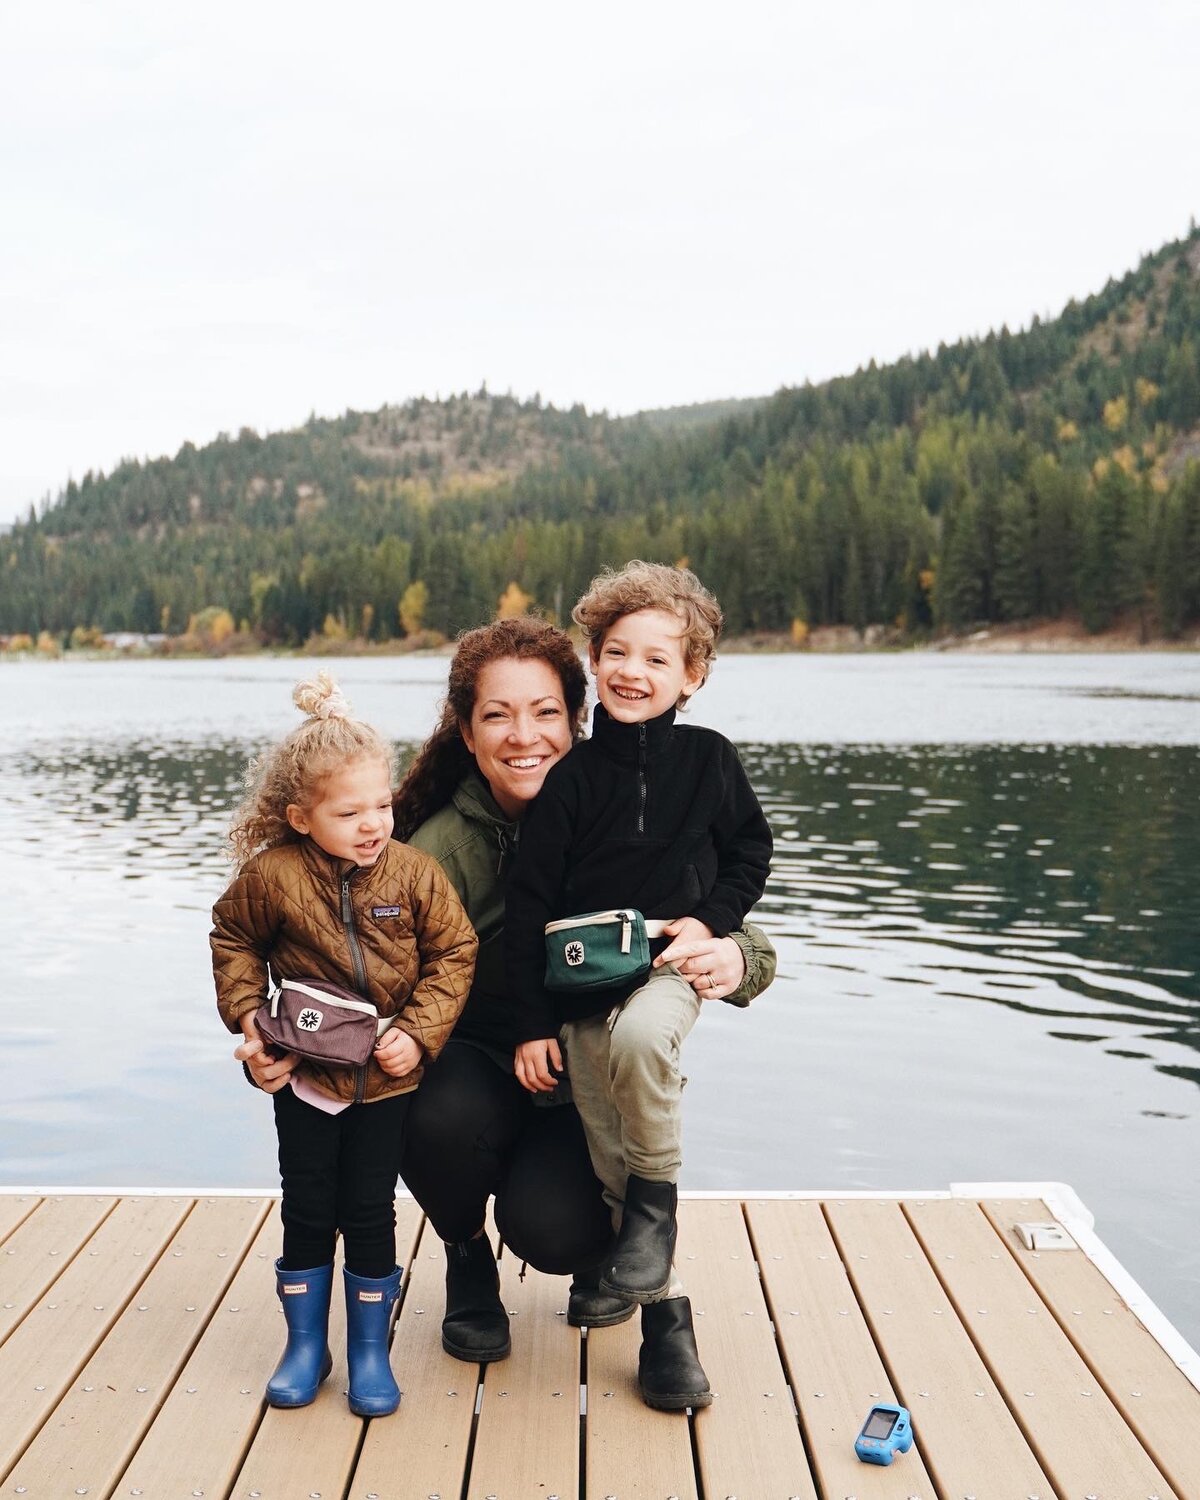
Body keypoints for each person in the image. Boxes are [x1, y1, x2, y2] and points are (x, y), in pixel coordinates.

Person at [236, 619, 775, 1409]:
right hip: (478, 1067)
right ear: (466, 731)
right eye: (498, 715)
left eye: (546, 712)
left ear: (577, 717)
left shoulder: (624, 805)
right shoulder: (430, 850)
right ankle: (464, 1254)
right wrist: (273, 1038)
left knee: (557, 1226)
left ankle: (615, 1270)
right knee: (423, 1108)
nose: (524, 736)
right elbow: (324, 948)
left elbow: (719, 906)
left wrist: (738, 956)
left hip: (581, 1083)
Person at [505, 562, 772, 1411]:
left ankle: (658, 1236)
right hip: (583, 983)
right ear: (593, 659)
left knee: (645, 1039)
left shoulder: (711, 760)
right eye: (617, 652)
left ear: (693, 676)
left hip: (665, 966)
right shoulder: (572, 780)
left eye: (658, 659)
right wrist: (533, 1024)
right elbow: (530, 906)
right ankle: (658, 1300)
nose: (633, 671)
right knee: (606, 1142)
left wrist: (712, 925)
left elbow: (750, 854)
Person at [212, 673, 477, 1418]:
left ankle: (368, 1351)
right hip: (304, 1075)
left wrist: (418, 1034)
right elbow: (233, 940)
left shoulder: (415, 873)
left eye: (382, 805)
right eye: (349, 811)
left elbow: (455, 952)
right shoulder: (272, 877)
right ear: (301, 817)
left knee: (369, 1210)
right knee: (306, 1206)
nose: (372, 824)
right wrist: (251, 1023)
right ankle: (305, 1345)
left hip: (386, 1082)